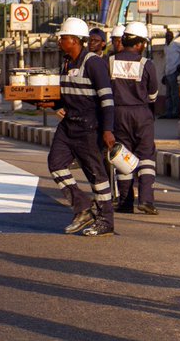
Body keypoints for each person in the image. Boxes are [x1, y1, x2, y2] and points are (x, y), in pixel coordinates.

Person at [42, 17, 116, 238]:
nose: (59, 41)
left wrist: (107, 130)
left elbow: (107, 100)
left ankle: (106, 220)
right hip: (68, 126)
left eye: (62, 38)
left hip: (90, 127)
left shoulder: (93, 63)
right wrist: (54, 105)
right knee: (55, 164)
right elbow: (66, 95)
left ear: (74, 40)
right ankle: (83, 207)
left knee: (96, 175)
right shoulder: (66, 62)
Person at [108, 22, 159, 215]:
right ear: (139, 44)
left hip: (117, 113)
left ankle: (126, 201)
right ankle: (146, 199)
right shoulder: (146, 64)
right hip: (141, 113)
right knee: (146, 155)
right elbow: (153, 94)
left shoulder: (110, 61)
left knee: (124, 156)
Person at [161, 30, 180, 119]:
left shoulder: (176, 45)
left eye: (169, 36)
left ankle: (175, 112)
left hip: (174, 71)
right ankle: (168, 112)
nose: (168, 37)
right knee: (168, 94)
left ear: (172, 37)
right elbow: (165, 61)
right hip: (168, 72)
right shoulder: (166, 47)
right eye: (167, 36)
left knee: (175, 93)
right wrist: (163, 74)